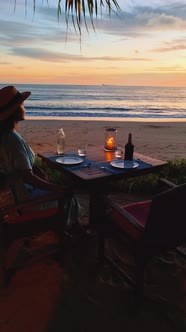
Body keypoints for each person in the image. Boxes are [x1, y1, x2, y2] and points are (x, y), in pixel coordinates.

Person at [0, 85, 79, 227]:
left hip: (15, 196)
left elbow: (17, 170)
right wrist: (57, 189)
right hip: (25, 201)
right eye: (21, 105)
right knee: (68, 196)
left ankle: (71, 228)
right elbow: (27, 177)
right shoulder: (13, 140)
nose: (24, 107)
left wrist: (35, 169)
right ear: (14, 111)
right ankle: (67, 230)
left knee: (63, 192)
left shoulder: (6, 136)